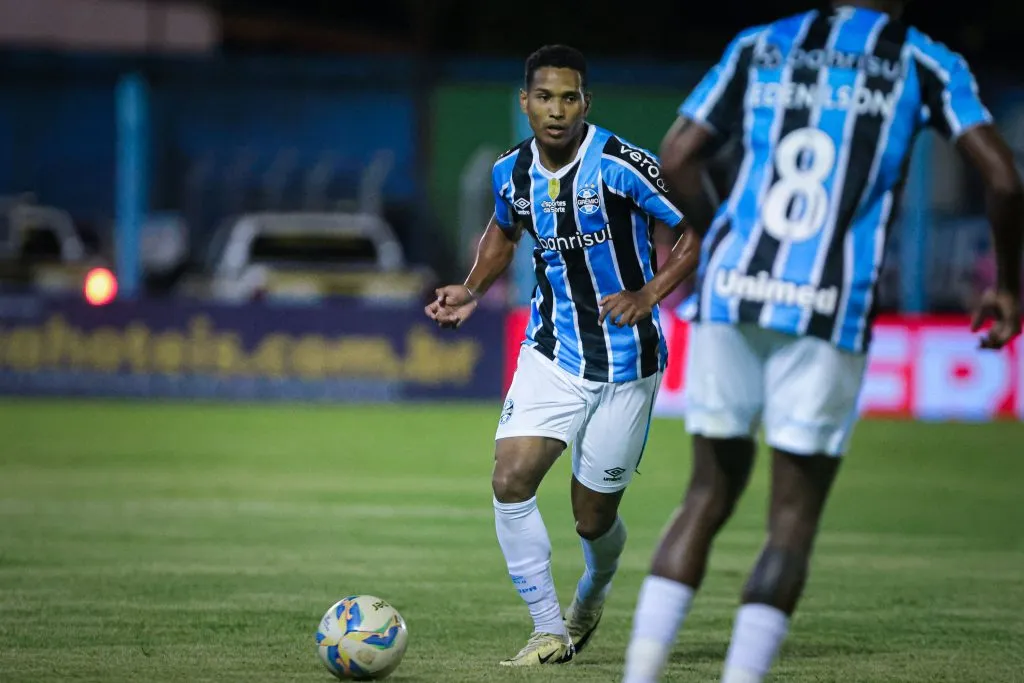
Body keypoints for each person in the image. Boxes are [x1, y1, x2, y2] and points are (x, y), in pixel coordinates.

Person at [620, 2, 1024, 682]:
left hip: (731, 291)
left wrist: (721, 237)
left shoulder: (760, 44)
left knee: (706, 495)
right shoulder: (921, 59)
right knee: (790, 520)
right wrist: (1008, 284)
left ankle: (639, 676)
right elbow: (1005, 179)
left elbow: (677, 153)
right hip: (828, 302)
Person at [424, 44, 701, 667]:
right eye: (544, 97)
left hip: (627, 363)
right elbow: (503, 230)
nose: (556, 110)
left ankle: (593, 593)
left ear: (585, 103)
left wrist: (647, 292)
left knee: (591, 521)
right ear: (525, 103)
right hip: (552, 350)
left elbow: (693, 232)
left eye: (568, 97)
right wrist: (471, 289)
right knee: (510, 475)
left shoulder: (624, 164)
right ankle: (549, 631)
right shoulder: (511, 172)